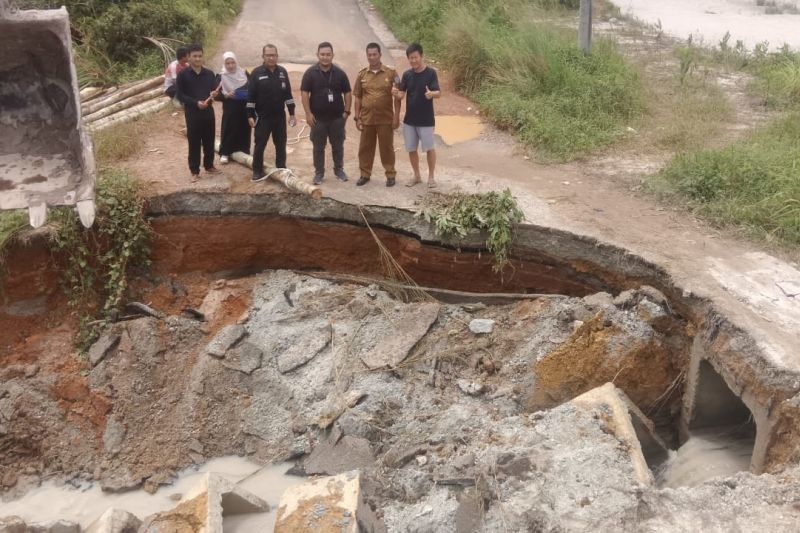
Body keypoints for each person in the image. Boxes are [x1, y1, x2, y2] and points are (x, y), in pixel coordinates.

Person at [301, 42, 352, 185]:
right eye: (322, 54)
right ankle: (319, 173)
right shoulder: (310, 73)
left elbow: (348, 93)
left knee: (338, 145)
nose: (325, 57)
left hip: (337, 118)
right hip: (318, 119)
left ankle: (339, 170)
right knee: (318, 147)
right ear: (317, 55)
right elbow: (305, 93)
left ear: (332, 55)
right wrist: (308, 113)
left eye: (328, 54)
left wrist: (346, 112)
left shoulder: (340, 73)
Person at [392, 42, 441, 188]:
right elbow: (401, 94)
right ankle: (417, 176)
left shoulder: (431, 73)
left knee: (429, 148)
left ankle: (431, 177)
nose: (413, 61)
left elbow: (438, 92)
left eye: (415, 57)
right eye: (410, 58)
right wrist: (396, 93)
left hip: (426, 120)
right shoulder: (407, 75)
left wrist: (431, 94)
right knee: (411, 149)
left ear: (421, 56)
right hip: (409, 120)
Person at [247, 44, 297, 182]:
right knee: (260, 144)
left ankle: (281, 168)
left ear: (277, 56)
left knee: (281, 143)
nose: (271, 57)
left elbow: (288, 94)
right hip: (262, 117)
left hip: (279, 116)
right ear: (263, 56)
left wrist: (292, 113)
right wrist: (250, 115)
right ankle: (257, 170)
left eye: (273, 55)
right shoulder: (256, 73)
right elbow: (250, 96)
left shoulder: (282, 72)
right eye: (268, 55)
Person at [353, 43, 401, 187]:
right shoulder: (362, 74)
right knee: (365, 148)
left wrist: (396, 116)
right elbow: (358, 97)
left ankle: (390, 174)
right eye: (369, 55)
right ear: (367, 56)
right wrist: (357, 117)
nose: (372, 57)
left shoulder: (391, 73)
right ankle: (365, 174)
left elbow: (398, 96)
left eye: (375, 54)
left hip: (385, 118)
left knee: (386, 148)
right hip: (367, 118)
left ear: (380, 55)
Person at [176, 43, 221, 181]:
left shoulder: (209, 74)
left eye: (200, 56)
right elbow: (180, 95)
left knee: (209, 140)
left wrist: (214, 94)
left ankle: (209, 165)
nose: (197, 59)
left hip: (208, 113)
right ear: (188, 58)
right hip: (192, 114)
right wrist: (196, 103)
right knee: (194, 142)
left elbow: (215, 92)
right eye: (194, 56)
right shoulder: (183, 75)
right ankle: (194, 171)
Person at [217, 51, 251, 164]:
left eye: (233, 62)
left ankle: (244, 150)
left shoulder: (244, 73)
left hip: (244, 106)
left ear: (236, 62)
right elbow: (215, 94)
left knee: (244, 127)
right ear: (224, 64)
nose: (231, 65)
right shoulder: (221, 76)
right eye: (228, 63)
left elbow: (252, 87)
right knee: (229, 128)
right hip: (230, 107)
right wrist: (225, 95)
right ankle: (225, 152)